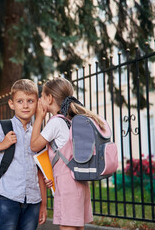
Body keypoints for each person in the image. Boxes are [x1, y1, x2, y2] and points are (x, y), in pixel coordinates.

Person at [0, 79, 47, 230]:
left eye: (30, 101)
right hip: (8, 197)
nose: (25, 105)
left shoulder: (38, 133)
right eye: (20, 101)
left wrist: (43, 204)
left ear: (37, 103)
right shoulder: (3, 127)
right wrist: (3, 144)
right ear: (11, 104)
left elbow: (40, 170)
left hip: (33, 200)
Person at [31, 77, 104, 230]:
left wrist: (39, 117)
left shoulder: (56, 122)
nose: (39, 100)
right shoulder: (71, 120)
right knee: (77, 226)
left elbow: (34, 145)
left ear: (49, 98)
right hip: (79, 181)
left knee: (67, 226)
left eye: (42, 96)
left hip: (67, 184)